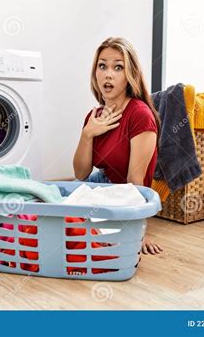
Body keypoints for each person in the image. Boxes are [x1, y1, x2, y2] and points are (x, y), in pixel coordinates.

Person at [73, 37, 163, 255]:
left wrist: (138, 233)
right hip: (100, 186)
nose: (108, 74)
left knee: (85, 235)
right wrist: (87, 134)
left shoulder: (140, 115)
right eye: (102, 66)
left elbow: (137, 183)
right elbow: (81, 173)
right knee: (53, 202)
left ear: (129, 75)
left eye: (118, 67)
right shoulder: (93, 117)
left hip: (125, 195)